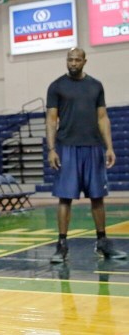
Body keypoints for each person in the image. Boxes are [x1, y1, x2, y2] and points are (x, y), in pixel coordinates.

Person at [46, 47, 126, 264]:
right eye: (69, 60)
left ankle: (103, 243)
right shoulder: (56, 86)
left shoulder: (95, 85)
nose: (72, 63)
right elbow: (52, 120)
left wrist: (109, 147)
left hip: (93, 147)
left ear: (84, 61)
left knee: (98, 197)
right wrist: (51, 149)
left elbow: (103, 117)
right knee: (65, 198)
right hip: (67, 148)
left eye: (76, 60)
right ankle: (61, 246)